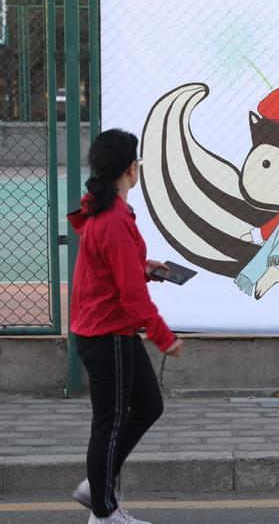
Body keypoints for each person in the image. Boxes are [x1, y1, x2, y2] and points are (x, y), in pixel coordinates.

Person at [67, 128, 183, 524]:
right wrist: (164, 338)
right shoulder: (113, 220)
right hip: (107, 333)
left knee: (148, 406)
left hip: (108, 330)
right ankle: (103, 513)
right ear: (131, 169)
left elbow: (114, 270)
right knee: (110, 424)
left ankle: (95, 486)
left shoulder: (107, 214)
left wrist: (145, 268)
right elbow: (132, 298)